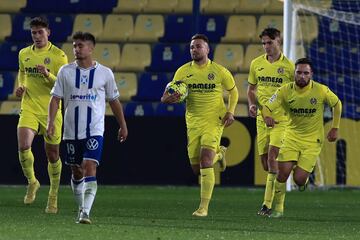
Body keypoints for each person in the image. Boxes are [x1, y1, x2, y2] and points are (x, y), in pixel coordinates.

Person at [47, 32, 128, 224]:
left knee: (89, 166)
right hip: (70, 131)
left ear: (91, 48)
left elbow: (114, 101)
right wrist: (51, 122)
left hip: (94, 129)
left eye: (80, 46)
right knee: (76, 171)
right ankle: (81, 207)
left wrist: (123, 125)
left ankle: (85, 212)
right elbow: (55, 98)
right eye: (74, 46)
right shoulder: (65, 71)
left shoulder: (105, 73)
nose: (76, 49)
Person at [161, 34, 239, 217]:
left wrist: (231, 111)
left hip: (214, 120)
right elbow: (168, 94)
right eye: (191, 47)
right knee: (197, 169)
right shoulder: (182, 72)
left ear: (207, 49)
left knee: (205, 161)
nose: (194, 50)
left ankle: (203, 208)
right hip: (193, 122)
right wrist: (167, 99)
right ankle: (220, 154)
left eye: (198, 46)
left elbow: (233, 92)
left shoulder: (219, 71)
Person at [262, 57, 342, 218]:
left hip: (313, 140)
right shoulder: (285, 90)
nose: (302, 76)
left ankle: (302, 179)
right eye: (299, 72)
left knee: (299, 180)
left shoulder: (321, 90)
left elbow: (337, 104)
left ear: (311, 74)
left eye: (306, 73)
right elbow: (266, 106)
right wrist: (267, 116)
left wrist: (335, 127)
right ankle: (278, 209)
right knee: (282, 173)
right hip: (291, 136)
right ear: (294, 73)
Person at [16, 16, 68, 213]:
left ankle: (53, 195)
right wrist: (21, 86)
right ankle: (32, 182)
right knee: (23, 145)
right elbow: (22, 73)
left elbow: (63, 85)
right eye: (33, 33)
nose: (37, 36)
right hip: (29, 105)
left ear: (48, 32)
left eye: (40, 32)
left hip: (51, 109)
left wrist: (48, 74)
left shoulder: (59, 56)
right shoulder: (23, 53)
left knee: (52, 154)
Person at [247, 28, 295, 216]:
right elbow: (251, 89)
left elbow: (297, 92)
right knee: (266, 165)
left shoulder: (289, 67)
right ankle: (293, 163)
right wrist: (252, 105)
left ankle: (270, 205)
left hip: (281, 119)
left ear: (278, 42)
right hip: (261, 118)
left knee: (272, 158)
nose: (266, 47)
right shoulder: (256, 64)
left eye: (270, 43)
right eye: (264, 43)